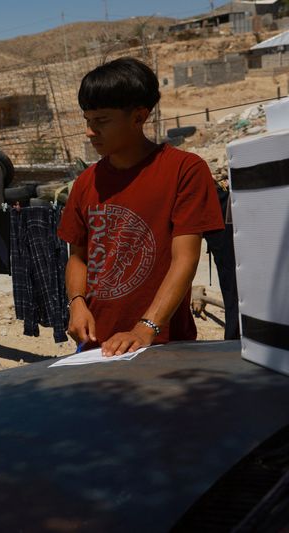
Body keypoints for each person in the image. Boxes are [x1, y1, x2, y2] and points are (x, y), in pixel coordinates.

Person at [57, 57, 224, 356]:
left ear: (138, 117)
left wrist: (146, 327)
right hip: (95, 349)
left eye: (102, 121)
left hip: (161, 345)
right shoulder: (85, 182)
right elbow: (78, 258)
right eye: (87, 121)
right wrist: (77, 303)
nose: (89, 132)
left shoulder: (184, 170)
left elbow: (184, 259)